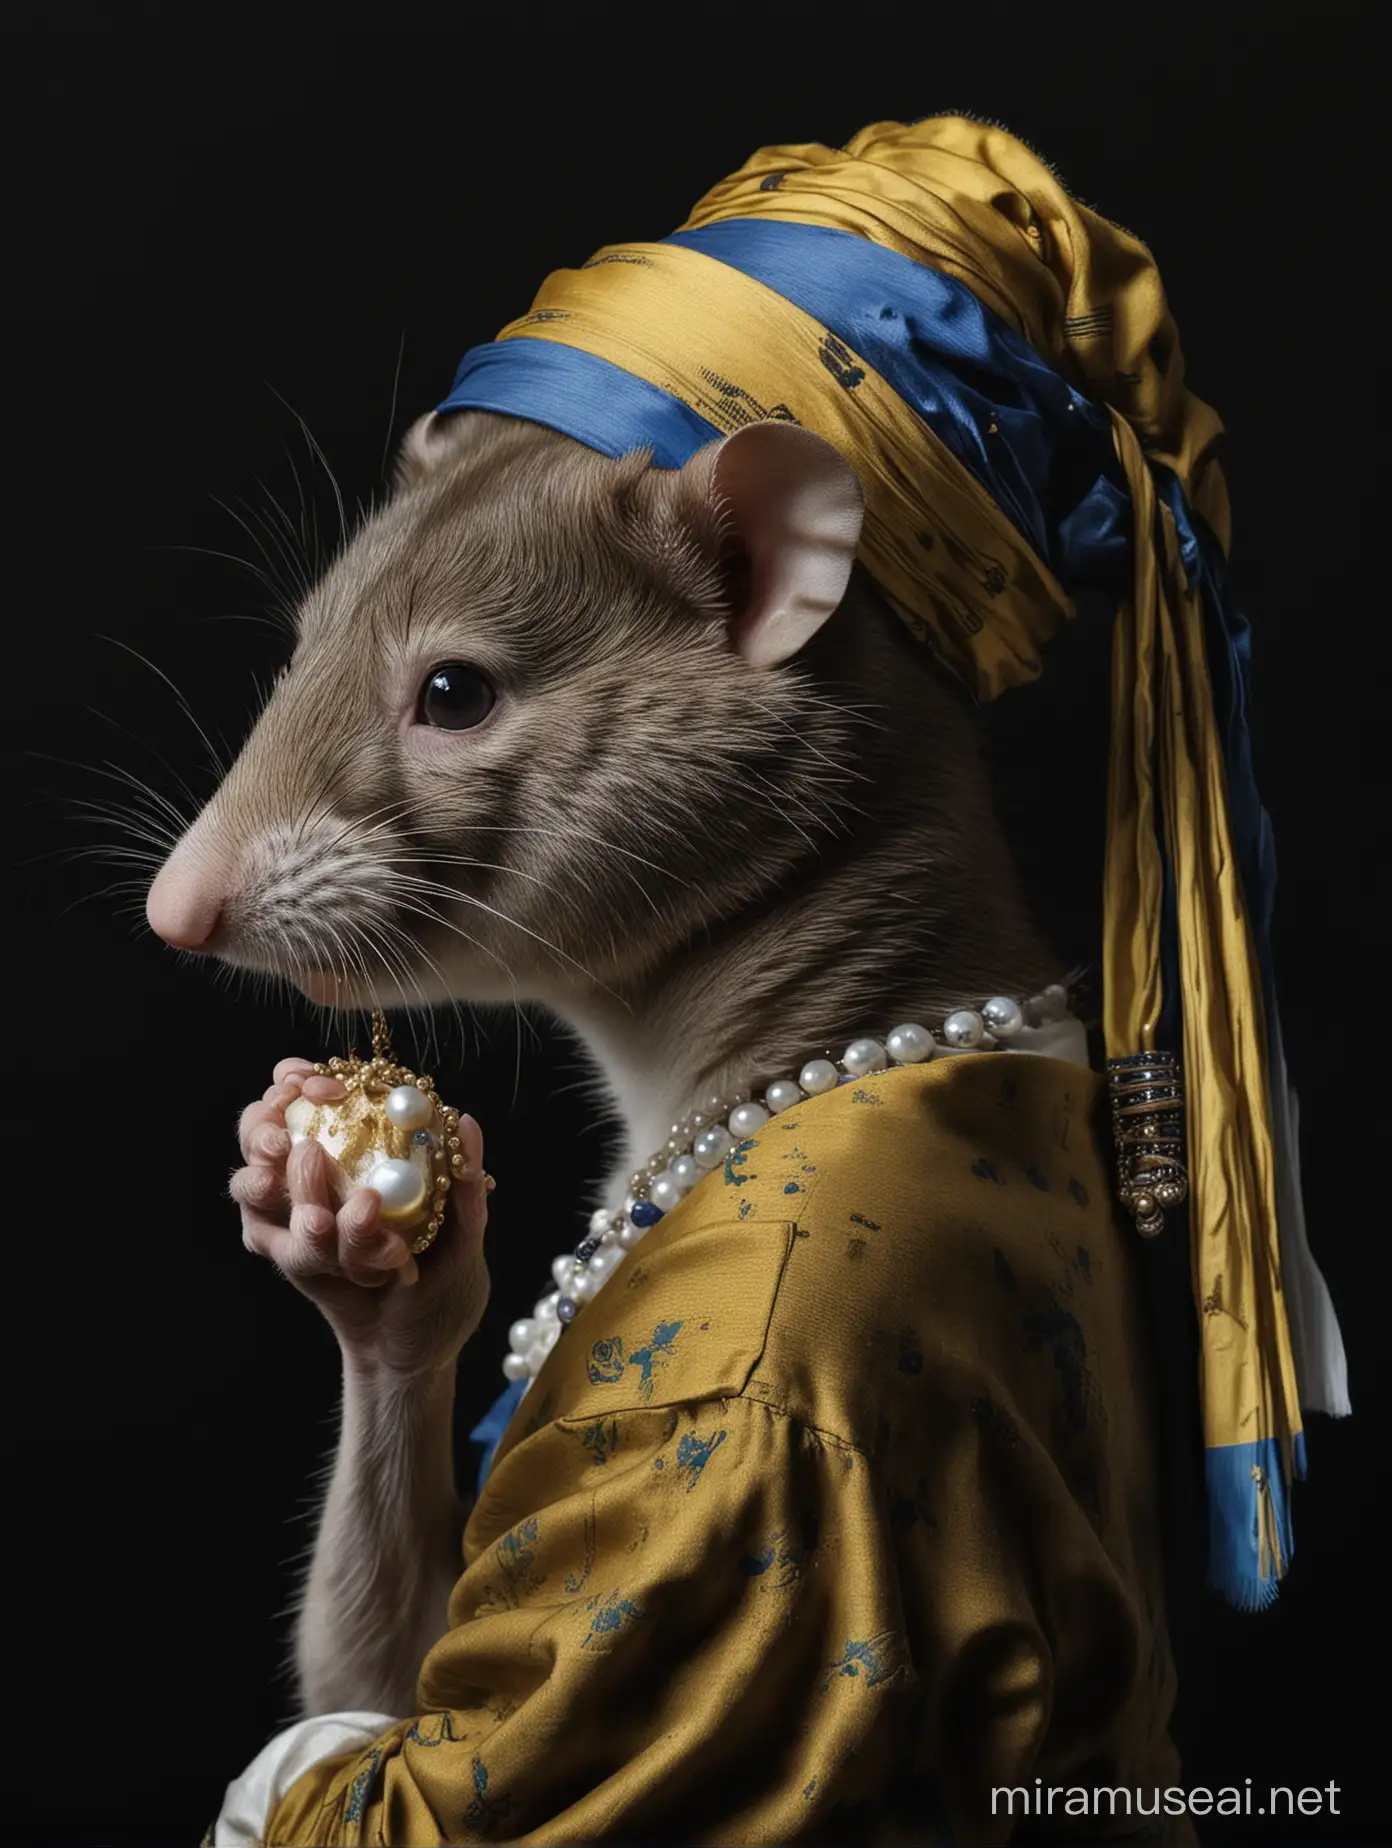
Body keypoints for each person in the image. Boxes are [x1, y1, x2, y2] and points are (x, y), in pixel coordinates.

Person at [179, 116, 1347, 1844]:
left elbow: (420, 1820)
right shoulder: (1004, 1120)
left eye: (453, 697)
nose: (189, 893)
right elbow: (462, 1707)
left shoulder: (779, 1342)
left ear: (754, 574)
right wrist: (399, 1366)